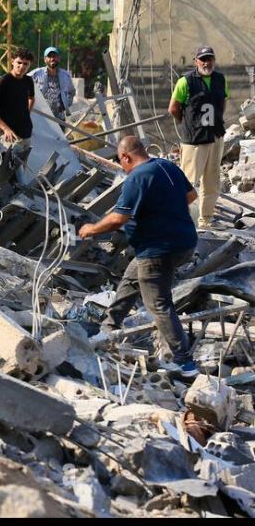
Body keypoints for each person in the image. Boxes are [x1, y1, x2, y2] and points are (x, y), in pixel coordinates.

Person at [78, 136, 200, 378]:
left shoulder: (137, 177)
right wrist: (163, 211)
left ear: (126, 156)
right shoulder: (167, 166)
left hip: (158, 249)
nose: (122, 166)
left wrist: (90, 229)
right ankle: (107, 330)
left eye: (120, 161)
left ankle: (185, 363)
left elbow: (117, 219)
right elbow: (191, 196)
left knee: (158, 304)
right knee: (131, 279)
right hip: (183, 242)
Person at [169, 45, 229, 229]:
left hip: (215, 136)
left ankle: (206, 220)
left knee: (212, 181)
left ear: (214, 60)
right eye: (203, 59)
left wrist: (217, 121)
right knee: (189, 182)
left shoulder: (220, 79)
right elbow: (173, 108)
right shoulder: (186, 81)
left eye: (209, 59)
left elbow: (223, 102)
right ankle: (181, 220)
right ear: (195, 61)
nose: (206, 63)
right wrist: (187, 123)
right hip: (195, 139)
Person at [0, 48, 36, 150]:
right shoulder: (3, 81)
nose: (21, 66)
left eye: (25, 64)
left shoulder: (28, 81)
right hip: (8, 135)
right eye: (19, 62)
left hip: (25, 133)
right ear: (12, 61)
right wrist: (5, 129)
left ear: (29, 65)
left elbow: (31, 98)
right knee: (7, 159)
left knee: (22, 160)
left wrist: (27, 113)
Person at [30, 46, 75, 121]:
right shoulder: (36, 74)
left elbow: (72, 92)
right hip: (40, 116)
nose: (52, 59)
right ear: (45, 59)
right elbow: (22, 82)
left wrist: (66, 105)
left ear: (59, 58)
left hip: (59, 117)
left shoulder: (65, 75)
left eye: (54, 56)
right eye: (49, 56)